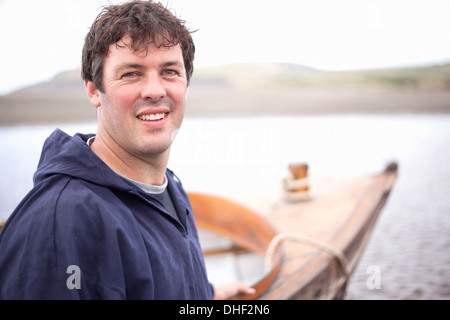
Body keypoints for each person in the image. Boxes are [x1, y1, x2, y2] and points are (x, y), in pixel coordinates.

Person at [0, 0, 254, 300]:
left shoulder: (168, 186)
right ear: (94, 90)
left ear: (185, 82)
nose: (154, 90)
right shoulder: (62, 224)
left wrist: (206, 293)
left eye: (170, 71)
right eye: (131, 73)